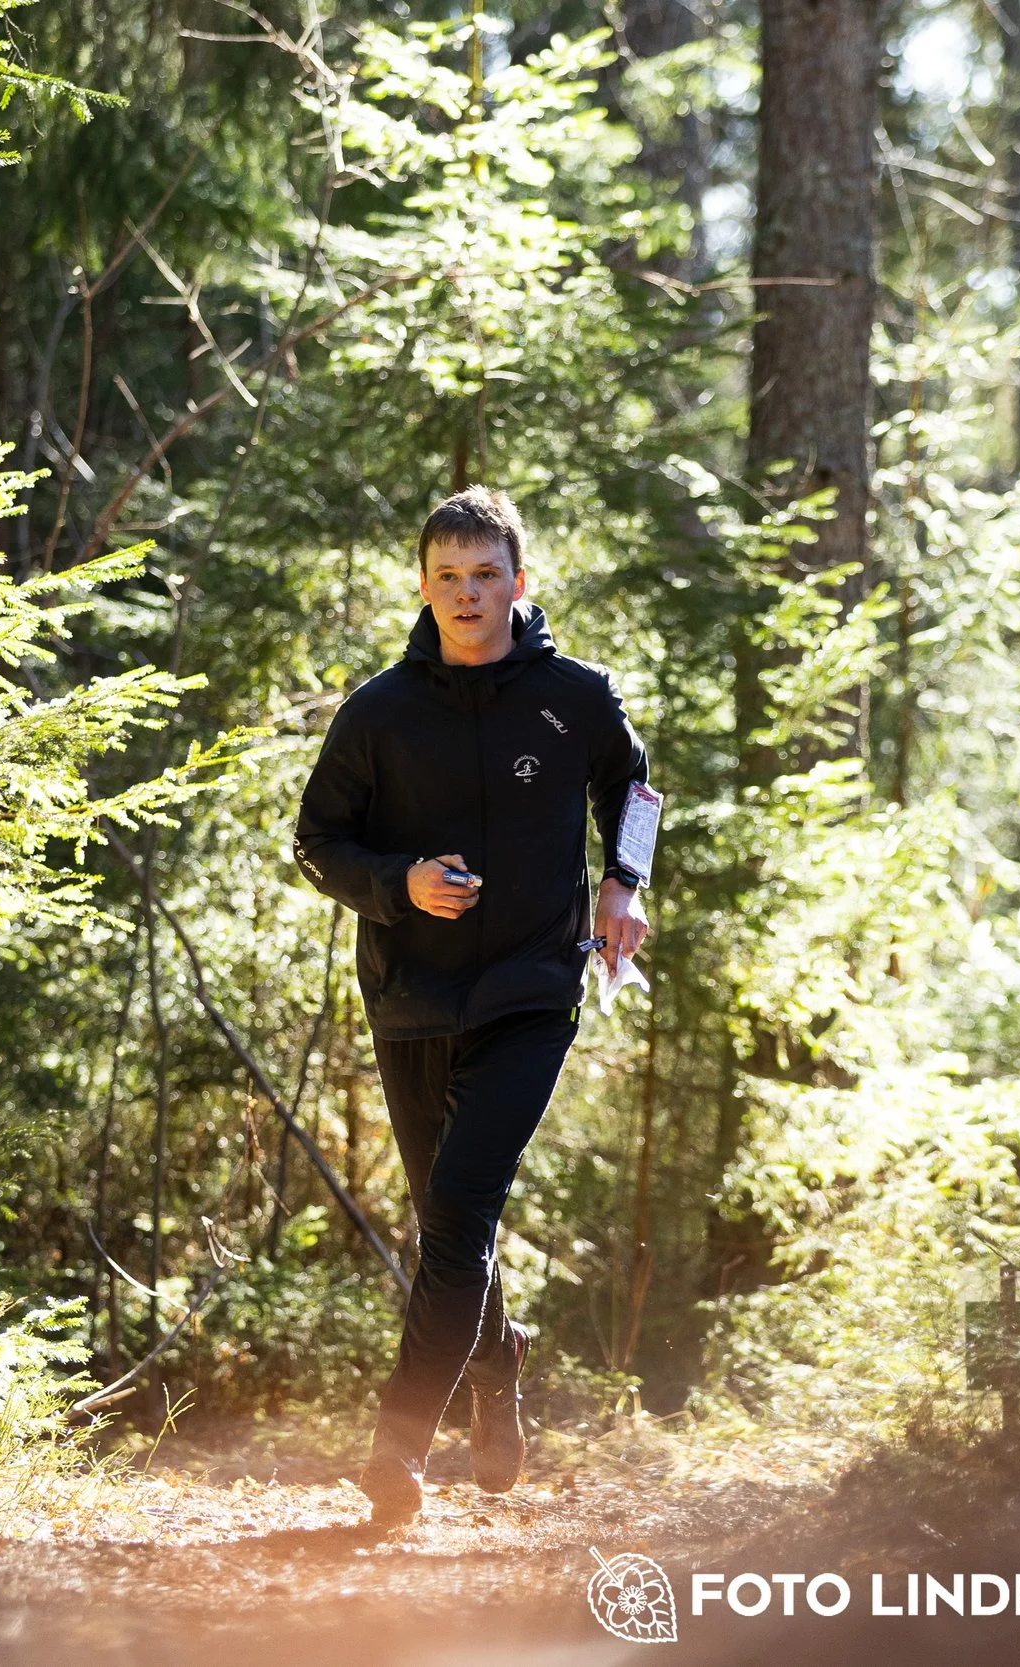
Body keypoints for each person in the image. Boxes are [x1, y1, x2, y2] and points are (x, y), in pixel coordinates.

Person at [292, 486, 650, 1526]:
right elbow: (318, 840)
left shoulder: (574, 695)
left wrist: (623, 885)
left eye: (484, 573)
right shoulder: (379, 712)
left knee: (457, 1211)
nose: (466, 593)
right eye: (447, 576)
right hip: (411, 997)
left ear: (518, 583)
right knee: (450, 1220)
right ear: (423, 586)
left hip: (534, 990)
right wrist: (400, 881)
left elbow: (631, 787)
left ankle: (395, 1447)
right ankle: (499, 1362)